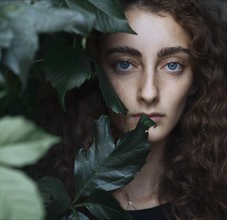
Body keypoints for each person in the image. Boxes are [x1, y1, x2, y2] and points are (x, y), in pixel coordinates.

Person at [33, 0, 227, 219]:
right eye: (124, 64)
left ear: (196, 80)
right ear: (95, 74)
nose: (148, 92)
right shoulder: (40, 203)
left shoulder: (218, 200)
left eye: (173, 65)